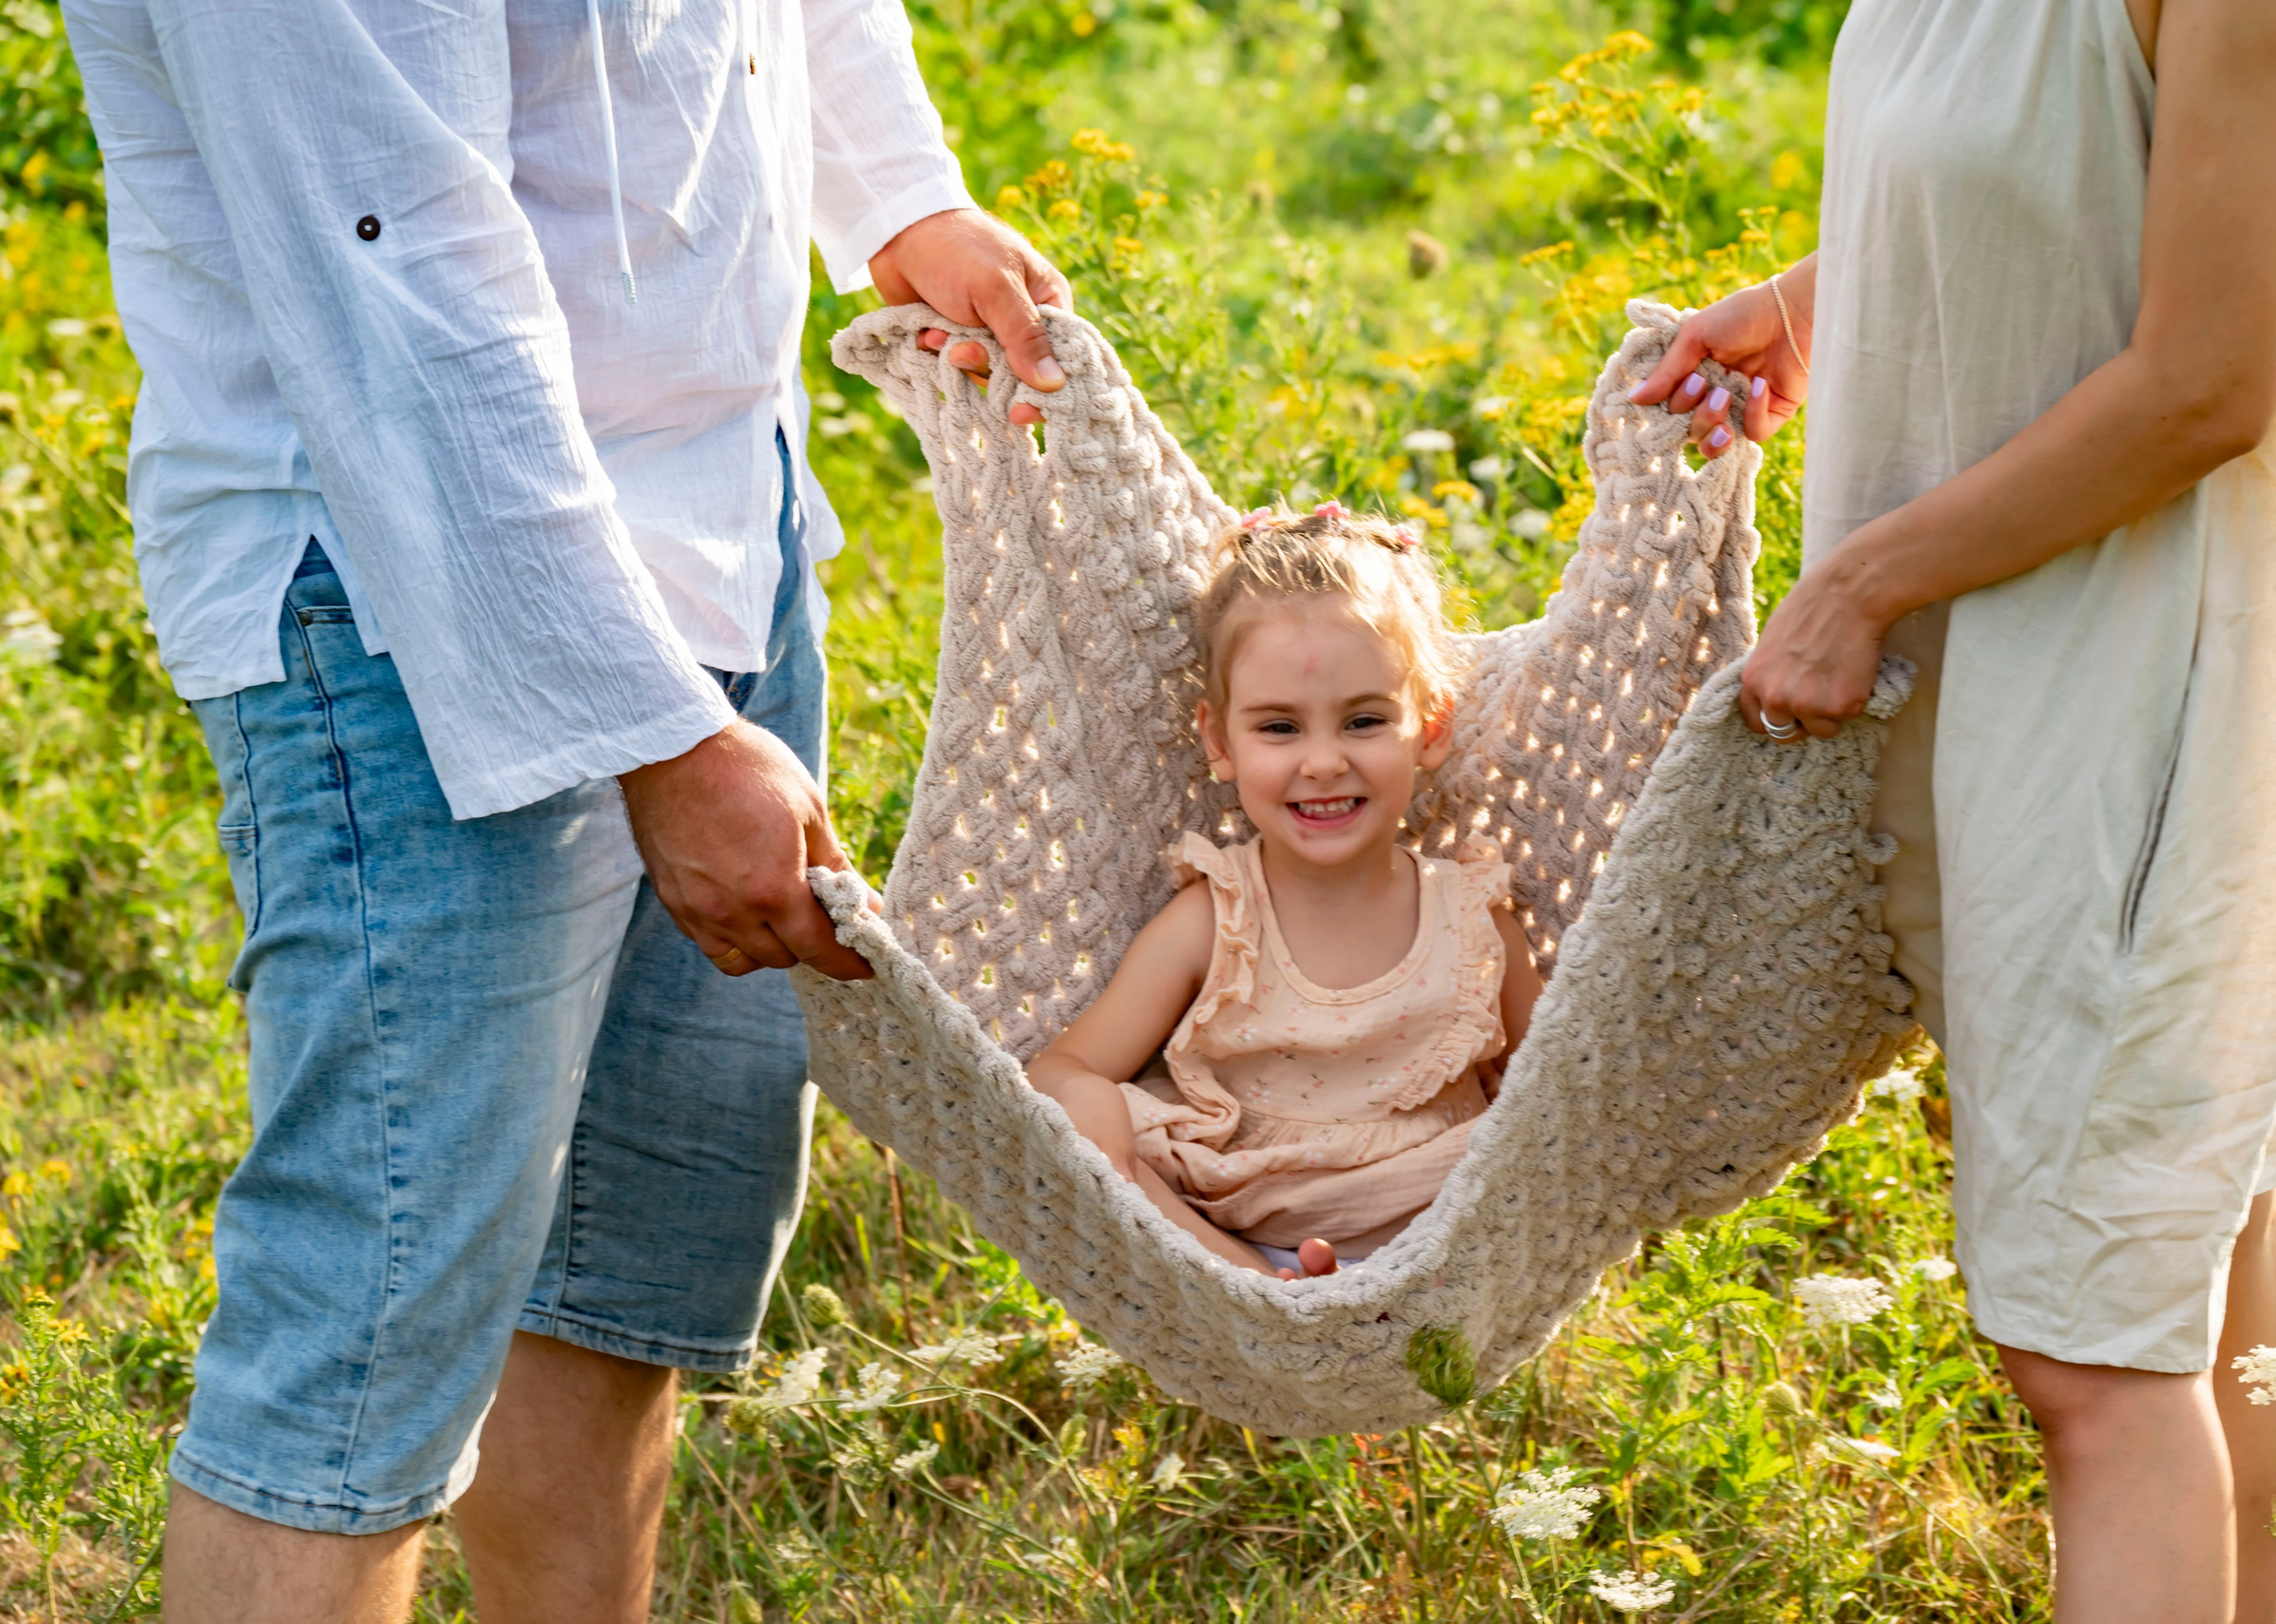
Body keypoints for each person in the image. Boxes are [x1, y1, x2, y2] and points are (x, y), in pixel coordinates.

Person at [58, 0, 1065, 1618]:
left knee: (616, 1281)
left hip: (716, 527)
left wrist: (898, 196)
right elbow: (394, 252)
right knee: (374, 1327)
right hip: (400, 588)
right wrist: (662, 739)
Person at [1632, 0, 2276, 1619]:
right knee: (2191, 1221)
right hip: (2014, 640)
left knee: (2092, 1351)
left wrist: (1864, 580)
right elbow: (2086, 194)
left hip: (2129, 672)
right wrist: (1819, 301)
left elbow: (2205, 381)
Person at [1026, 505, 1542, 1280]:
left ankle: (1354, 1295)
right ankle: (1267, 1289)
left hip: (1440, 1246)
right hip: (1222, 1244)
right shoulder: (1214, 917)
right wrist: (1089, 1116)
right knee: (1108, 1131)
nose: (1324, 761)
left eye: (1364, 720)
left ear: (1430, 727)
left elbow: (1553, 1083)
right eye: (1280, 728)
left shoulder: (1471, 915)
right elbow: (1067, 1068)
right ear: (1219, 741)